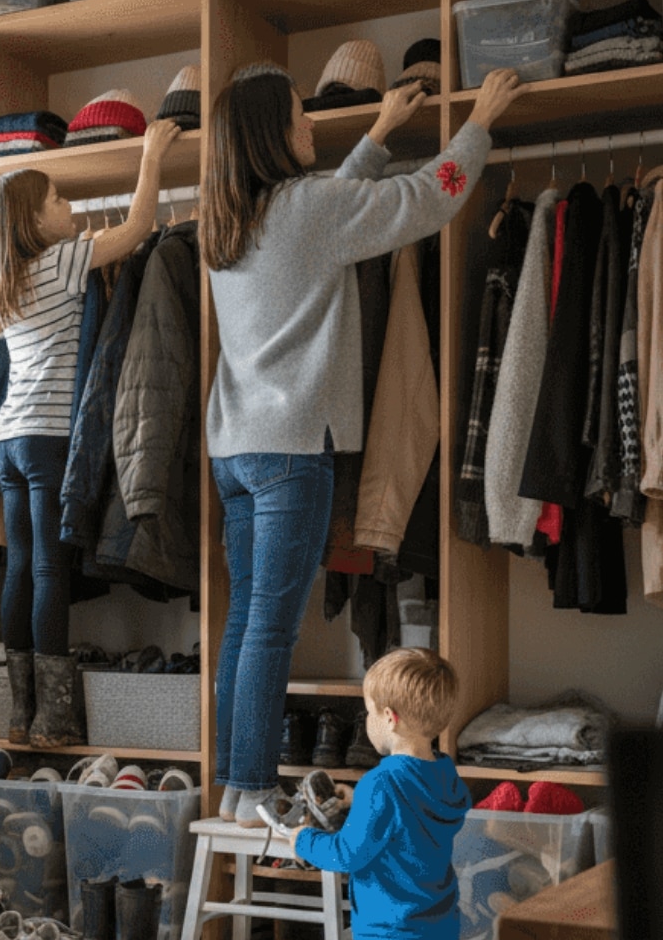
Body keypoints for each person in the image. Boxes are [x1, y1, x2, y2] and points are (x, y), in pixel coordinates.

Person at [200, 64, 522, 827]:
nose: (310, 123)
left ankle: (236, 788)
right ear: (271, 134)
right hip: (290, 451)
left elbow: (328, 215)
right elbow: (424, 200)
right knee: (269, 629)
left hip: (236, 449)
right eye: (297, 115)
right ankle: (250, 794)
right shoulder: (305, 207)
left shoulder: (228, 217)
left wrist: (378, 135)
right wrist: (479, 121)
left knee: (246, 624)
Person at [0, 116, 181, 748]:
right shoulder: (61, 262)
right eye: (59, 201)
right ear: (35, 223)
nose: (70, 208)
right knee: (49, 573)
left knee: (22, 569)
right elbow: (140, 228)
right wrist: (151, 158)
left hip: (8, 441)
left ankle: (20, 710)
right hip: (50, 436)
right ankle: (55, 718)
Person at [289, 648, 483, 940]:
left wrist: (303, 840)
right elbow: (406, 817)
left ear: (389, 718)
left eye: (368, 714)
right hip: (440, 937)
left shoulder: (382, 784)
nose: (368, 723)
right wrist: (358, 799)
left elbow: (346, 854)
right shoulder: (444, 773)